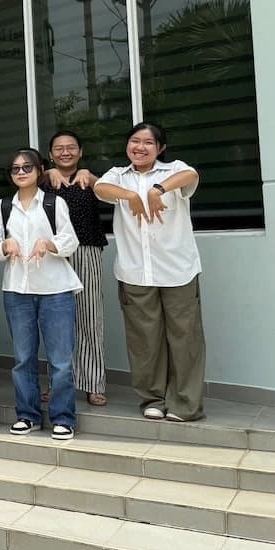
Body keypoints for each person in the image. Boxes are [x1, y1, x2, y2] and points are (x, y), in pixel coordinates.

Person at [94, 123, 205, 422]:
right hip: (135, 272)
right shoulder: (118, 175)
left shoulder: (174, 169)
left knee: (185, 339)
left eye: (147, 142)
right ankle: (152, 399)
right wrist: (130, 196)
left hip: (177, 270)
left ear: (160, 148)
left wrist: (159, 189)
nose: (139, 147)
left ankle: (185, 404)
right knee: (145, 342)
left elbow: (191, 175)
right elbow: (99, 188)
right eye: (134, 141)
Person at [0, 148, 81, 440]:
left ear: (39, 169)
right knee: (23, 359)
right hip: (18, 291)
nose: (21, 172)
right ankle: (27, 415)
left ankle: (63, 418)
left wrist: (49, 244)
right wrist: (5, 246)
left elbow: (70, 240)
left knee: (61, 360)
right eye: (15, 168)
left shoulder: (54, 203)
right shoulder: (2, 207)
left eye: (27, 166)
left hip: (55, 289)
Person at [44, 130, 110, 407]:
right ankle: (57, 383)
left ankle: (93, 383)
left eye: (71, 148)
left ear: (81, 152)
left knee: (89, 317)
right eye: (59, 149)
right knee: (55, 320)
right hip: (53, 254)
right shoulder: (43, 181)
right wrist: (47, 173)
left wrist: (93, 179)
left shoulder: (91, 178)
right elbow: (20, 178)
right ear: (50, 155)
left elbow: (114, 194)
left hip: (86, 249)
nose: (65, 152)